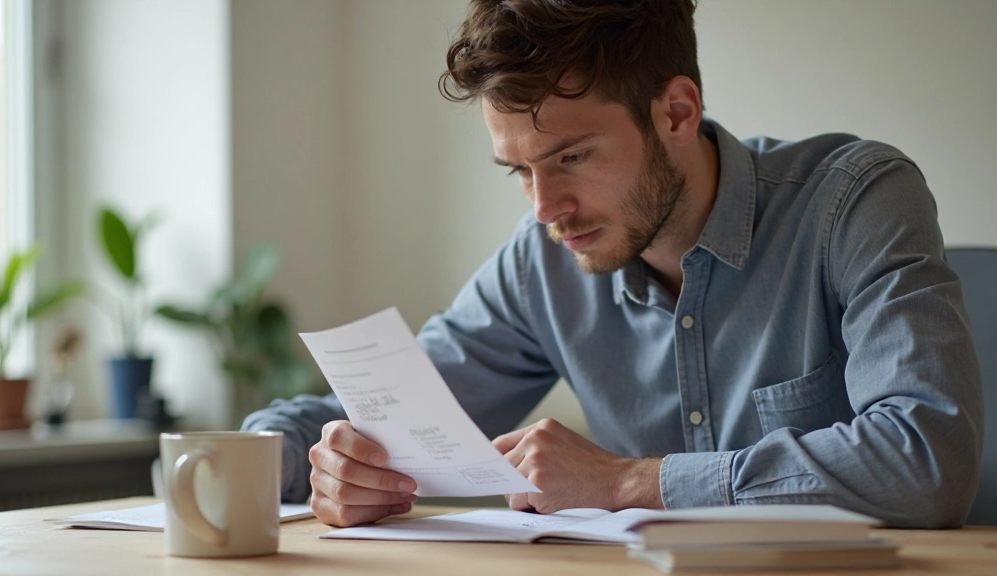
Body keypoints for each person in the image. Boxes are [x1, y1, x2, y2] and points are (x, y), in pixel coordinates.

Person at [242, 0, 983, 529]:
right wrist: (316, 460)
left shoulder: (856, 201)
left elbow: (925, 461)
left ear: (677, 113)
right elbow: (387, 420)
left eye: (571, 157)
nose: (545, 208)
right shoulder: (541, 265)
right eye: (519, 171)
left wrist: (631, 481)